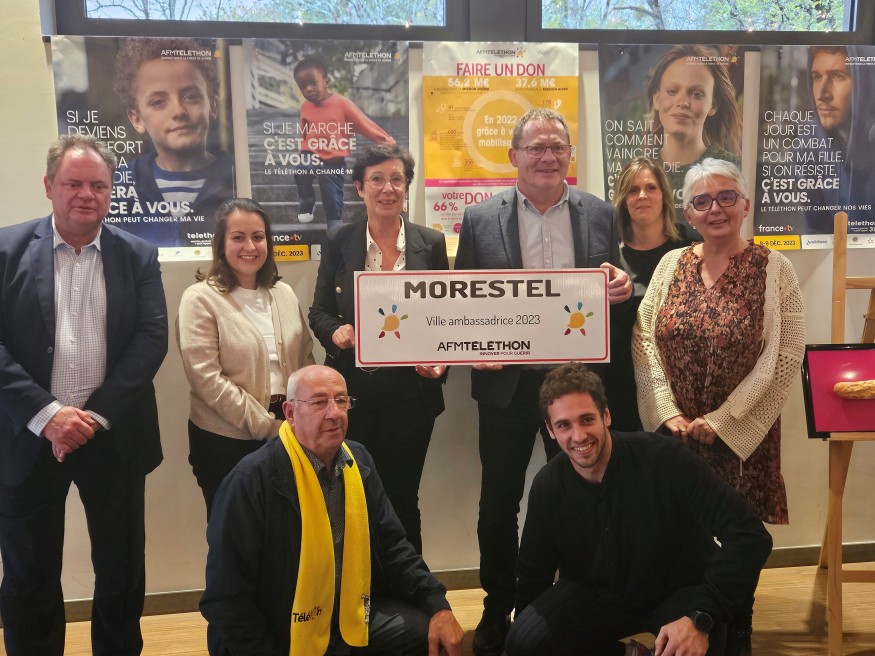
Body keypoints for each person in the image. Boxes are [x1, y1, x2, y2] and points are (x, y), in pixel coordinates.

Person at [454, 107, 633, 656]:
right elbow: (462, 301)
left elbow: (614, 282)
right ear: (514, 156)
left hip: (574, 385)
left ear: (570, 155)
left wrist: (624, 283)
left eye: (558, 146)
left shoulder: (600, 213)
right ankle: (496, 608)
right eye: (536, 147)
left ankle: (577, 604)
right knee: (498, 503)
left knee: (582, 497)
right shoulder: (479, 218)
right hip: (506, 388)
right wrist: (473, 349)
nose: (548, 156)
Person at [0, 135, 169, 654]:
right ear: (49, 186)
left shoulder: (138, 255)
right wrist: (48, 415)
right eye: (73, 183)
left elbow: (152, 339)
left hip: (112, 437)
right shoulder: (5, 250)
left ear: (111, 190)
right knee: (28, 575)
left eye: (98, 185)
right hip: (27, 437)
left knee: (121, 572)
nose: (86, 195)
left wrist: (92, 417)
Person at [632, 158, 805, 655]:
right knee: (680, 535)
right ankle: (691, 627)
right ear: (688, 213)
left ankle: (738, 631)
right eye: (703, 201)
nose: (716, 209)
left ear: (745, 205)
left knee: (738, 539)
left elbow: (784, 355)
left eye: (727, 197)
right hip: (677, 437)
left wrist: (723, 422)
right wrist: (665, 411)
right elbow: (643, 339)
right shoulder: (671, 264)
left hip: (741, 437)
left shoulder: (775, 268)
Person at [506, 363, 773, 656]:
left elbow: (749, 535)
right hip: (597, 592)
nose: (579, 436)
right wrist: (526, 634)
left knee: (689, 650)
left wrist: (702, 615)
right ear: (550, 430)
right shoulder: (548, 485)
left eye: (587, 419)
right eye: (564, 425)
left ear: (606, 416)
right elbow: (533, 574)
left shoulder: (665, 458)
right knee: (525, 643)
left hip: (679, 589)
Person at [200, 364, 464, 656]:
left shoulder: (358, 461)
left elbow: (394, 549)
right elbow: (226, 598)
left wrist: (438, 606)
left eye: (341, 400)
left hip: (347, 617)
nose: (334, 413)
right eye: (318, 402)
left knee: (429, 635)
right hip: (278, 630)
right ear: (290, 412)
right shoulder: (250, 481)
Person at [309, 143, 448, 554]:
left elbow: (447, 319)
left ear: (407, 186)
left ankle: (410, 588)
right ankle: (357, 585)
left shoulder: (431, 243)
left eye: (396, 179)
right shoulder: (339, 240)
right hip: (352, 395)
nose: (388, 189)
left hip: (412, 395)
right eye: (377, 180)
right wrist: (335, 332)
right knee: (351, 495)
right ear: (359, 187)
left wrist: (441, 364)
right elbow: (319, 312)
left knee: (403, 497)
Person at [177, 198, 315, 517]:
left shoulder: (283, 294)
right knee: (234, 537)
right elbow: (206, 379)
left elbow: (305, 359)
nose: (250, 246)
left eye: (258, 236)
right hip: (226, 440)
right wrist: (268, 426)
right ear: (221, 243)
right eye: (238, 237)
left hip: (288, 431)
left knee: (286, 532)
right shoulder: (199, 299)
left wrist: (303, 417)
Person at [113, 37, 234, 247]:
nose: (178, 111)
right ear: (137, 119)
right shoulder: (118, 186)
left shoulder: (236, 176)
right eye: (158, 102)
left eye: (191, 97)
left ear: (213, 107)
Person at [606, 157, 694, 431]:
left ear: (664, 195)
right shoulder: (610, 256)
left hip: (680, 386)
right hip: (622, 384)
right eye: (633, 190)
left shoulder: (691, 247)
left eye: (651, 187)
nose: (642, 195)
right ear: (623, 200)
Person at [645, 45, 742, 230]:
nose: (682, 102)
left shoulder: (734, 169)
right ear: (657, 99)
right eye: (672, 91)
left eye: (696, 94)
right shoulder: (638, 174)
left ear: (713, 105)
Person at [293, 56, 395, 229]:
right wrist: (301, 150)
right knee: (302, 169)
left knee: (332, 193)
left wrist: (387, 141)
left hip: (333, 160)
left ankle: (334, 222)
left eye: (313, 83)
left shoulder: (342, 104)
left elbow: (364, 123)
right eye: (303, 86)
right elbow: (305, 131)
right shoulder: (305, 107)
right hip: (310, 154)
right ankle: (307, 203)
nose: (308, 89)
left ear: (326, 81)